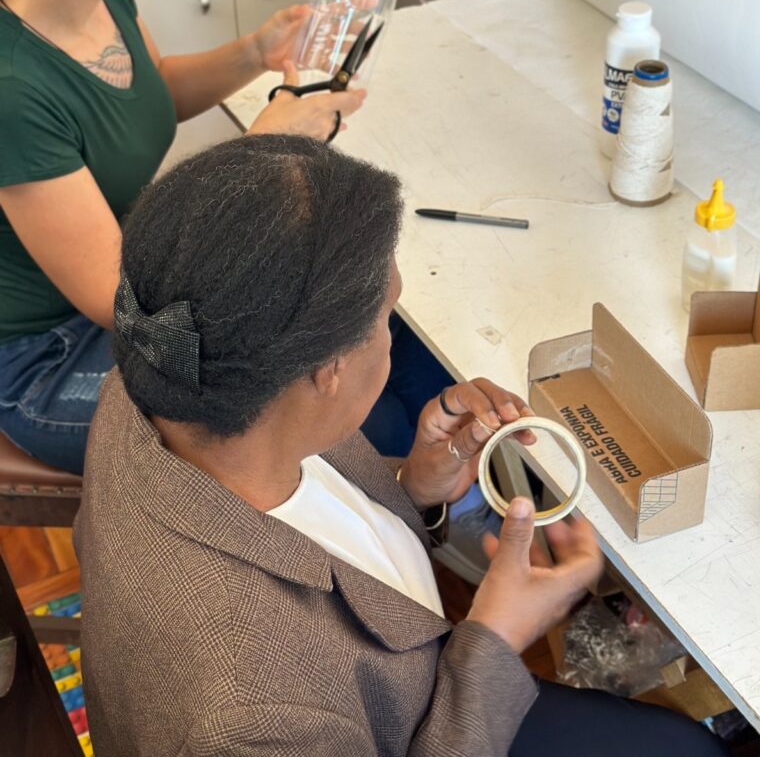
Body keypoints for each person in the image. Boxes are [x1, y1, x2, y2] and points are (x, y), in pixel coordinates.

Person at [74, 135, 726, 757]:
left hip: (408, 678)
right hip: (428, 718)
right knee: (688, 747)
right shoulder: (252, 719)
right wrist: (499, 639)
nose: (392, 339)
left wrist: (413, 488)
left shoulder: (165, 387)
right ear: (326, 370)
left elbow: (313, 530)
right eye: (389, 320)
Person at [0, 0, 447, 474]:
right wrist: (268, 144)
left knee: (351, 334)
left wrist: (255, 52)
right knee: (300, 401)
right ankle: (387, 520)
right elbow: (123, 304)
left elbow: (153, 92)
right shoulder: (12, 92)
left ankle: (412, 487)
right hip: (51, 358)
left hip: (149, 287)